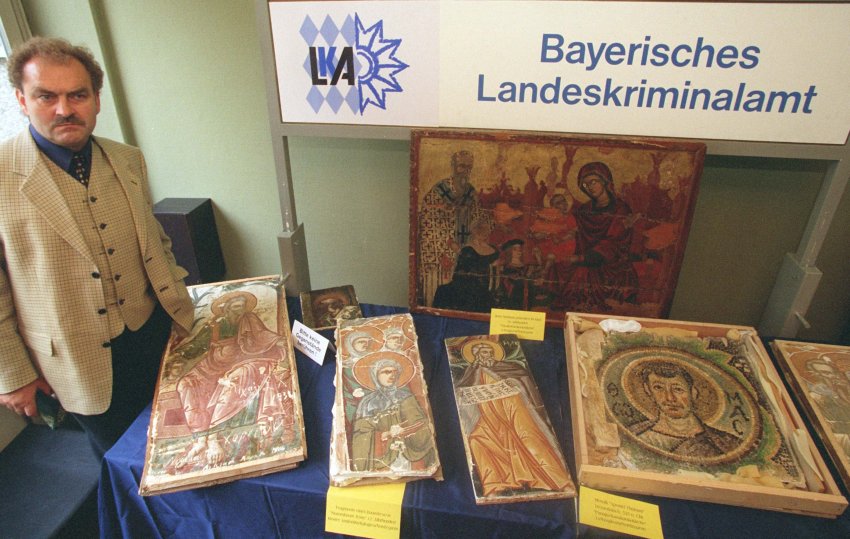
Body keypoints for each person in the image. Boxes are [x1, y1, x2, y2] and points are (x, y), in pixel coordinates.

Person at [0, 37, 194, 457]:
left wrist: (180, 299)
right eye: (46, 96)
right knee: (127, 462)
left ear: (96, 100)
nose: (64, 109)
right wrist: (13, 377)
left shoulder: (128, 159)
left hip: (154, 334)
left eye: (78, 95)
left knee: (183, 443)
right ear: (22, 100)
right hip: (76, 362)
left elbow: (155, 240)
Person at [456, 341, 572, 497]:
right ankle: (494, 486)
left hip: (513, 408)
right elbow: (461, 390)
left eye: (490, 352)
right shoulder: (472, 371)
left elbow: (523, 379)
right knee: (476, 440)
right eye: (484, 352)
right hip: (489, 417)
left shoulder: (509, 367)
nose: (489, 355)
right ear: (476, 356)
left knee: (528, 437)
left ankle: (560, 482)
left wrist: (513, 383)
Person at [559, 161, 639, 311]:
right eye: (585, 184)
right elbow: (573, 230)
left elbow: (613, 242)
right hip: (586, 259)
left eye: (593, 182)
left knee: (582, 274)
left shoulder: (620, 209)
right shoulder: (584, 210)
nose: (589, 187)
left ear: (605, 181)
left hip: (611, 264)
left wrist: (582, 258)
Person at [629, 361, 741, 457]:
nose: (670, 398)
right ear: (648, 390)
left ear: (693, 392)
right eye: (658, 388)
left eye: (678, 389)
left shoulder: (727, 443)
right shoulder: (635, 435)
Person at [351, 357, 436, 472]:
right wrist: (385, 434)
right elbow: (360, 434)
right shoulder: (367, 403)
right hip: (381, 457)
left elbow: (421, 424)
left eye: (395, 372)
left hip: (408, 452)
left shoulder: (406, 397)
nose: (392, 375)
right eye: (386, 372)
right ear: (375, 375)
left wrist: (405, 430)